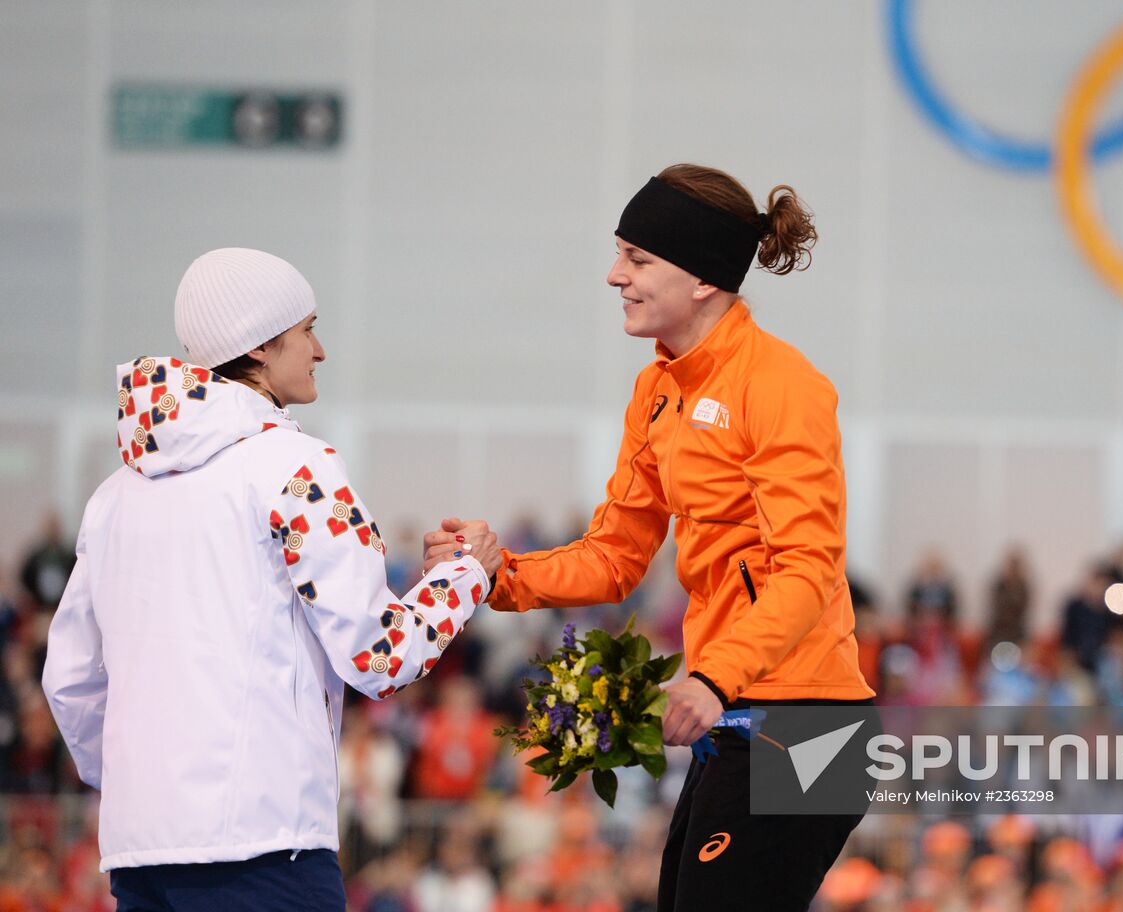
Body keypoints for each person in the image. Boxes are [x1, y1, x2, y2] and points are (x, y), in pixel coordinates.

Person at [425, 164, 875, 911]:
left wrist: (715, 675)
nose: (614, 276)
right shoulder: (658, 388)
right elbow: (613, 554)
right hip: (736, 710)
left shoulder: (783, 386)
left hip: (811, 721)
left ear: (701, 279)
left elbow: (808, 566)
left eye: (637, 258)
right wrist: (494, 572)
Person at [41, 248, 501, 911]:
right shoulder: (296, 467)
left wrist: (138, 786)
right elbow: (382, 656)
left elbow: (70, 678)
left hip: (139, 855)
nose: (320, 349)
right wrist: (465, 575)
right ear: (259, 346)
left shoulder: (114, 497)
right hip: (266, 845)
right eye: (307, 328)